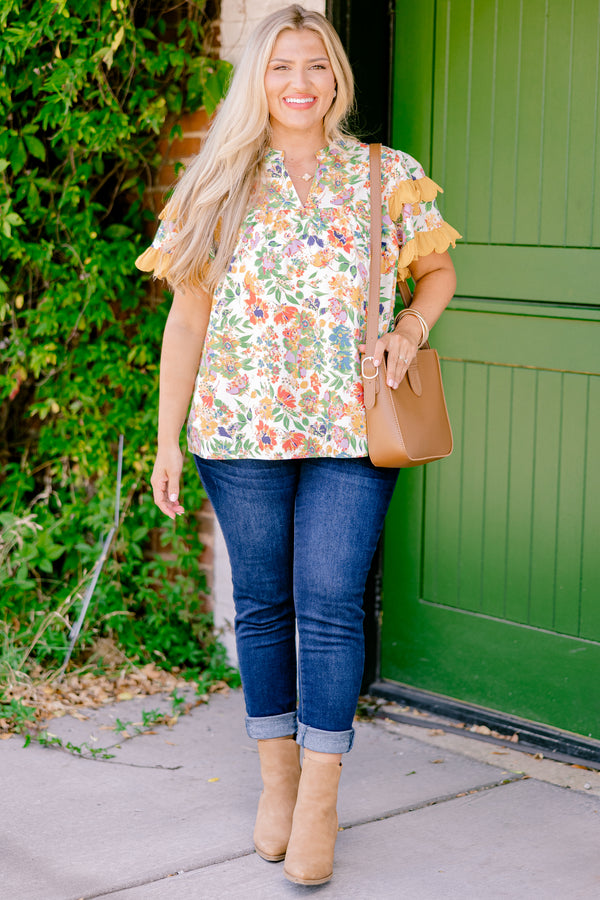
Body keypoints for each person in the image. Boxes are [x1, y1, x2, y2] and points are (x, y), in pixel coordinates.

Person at [136, 4, 460, 886]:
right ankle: (276, 781)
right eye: (282, 67)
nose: (301, 83)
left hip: (353, 429)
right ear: (259, 80)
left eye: (315, 66)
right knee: (265, 603)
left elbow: (437, 269)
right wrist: (168, 441)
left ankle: (320, 794)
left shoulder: (383, 176)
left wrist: (412, 331)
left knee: (329, 601)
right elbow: (187, 318)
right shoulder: (219, 182)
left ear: (337, 76)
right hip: (238, 430)